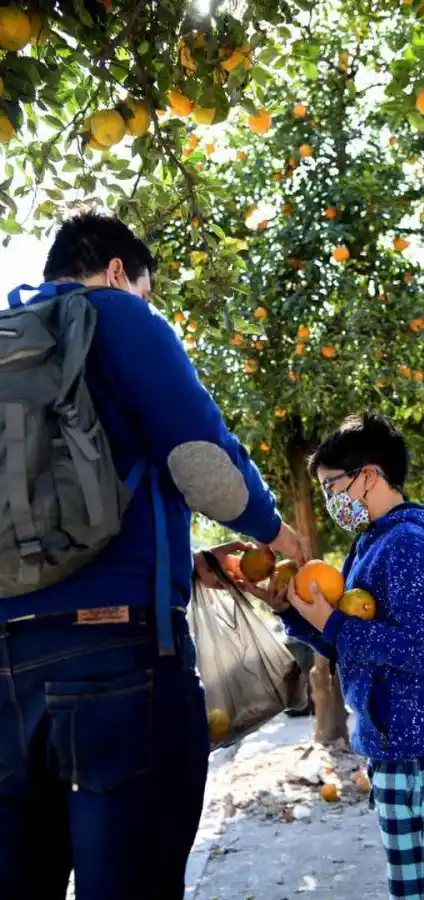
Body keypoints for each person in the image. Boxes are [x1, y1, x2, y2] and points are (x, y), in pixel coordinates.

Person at [0, 213, 306, 900]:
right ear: (117, 272)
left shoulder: (9, 344)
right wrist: (275, 534)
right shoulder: (119, 316)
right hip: (114, 668)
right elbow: (202, 464)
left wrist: (182, 556)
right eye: (145, 290)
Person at [263, 411, 424, 900]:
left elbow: (423, 651)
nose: (329, 500)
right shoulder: (369, 544)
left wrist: (334, 623)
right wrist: (296, 616)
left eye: (332, 486)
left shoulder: (408, 544)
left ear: (369, 476)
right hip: (389, 748)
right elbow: (352, 645)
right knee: (410, 892)